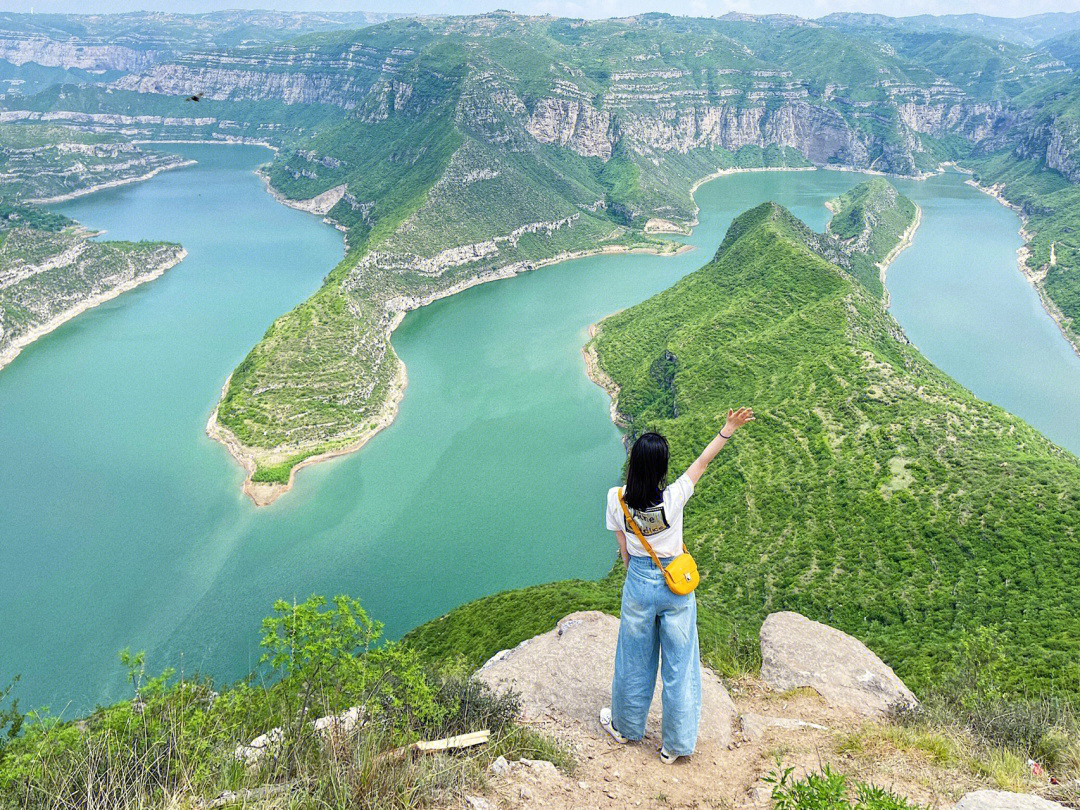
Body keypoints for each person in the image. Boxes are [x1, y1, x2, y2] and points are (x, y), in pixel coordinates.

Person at [599, 407, 754, 764]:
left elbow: (623, 550)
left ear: (633, 465)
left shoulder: (615, 499)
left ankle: (625, 728)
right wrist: (728, 428)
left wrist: (635, 579)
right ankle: (676, 746)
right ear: (662, 470)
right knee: (680, 666)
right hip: (676, 585)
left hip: (639, 579)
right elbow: (702, 461)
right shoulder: (675, 497)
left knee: (633, 660)